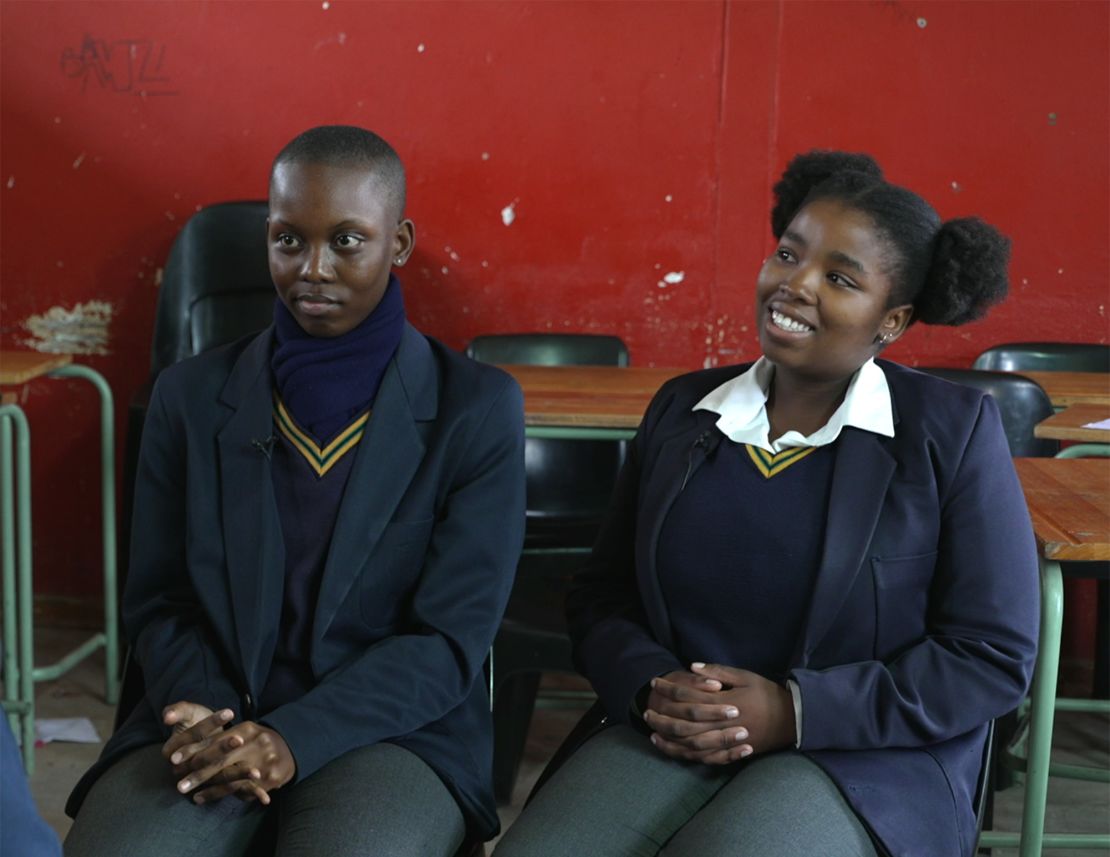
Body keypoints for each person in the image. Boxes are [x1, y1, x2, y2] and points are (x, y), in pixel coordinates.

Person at [494, 150, 1039, 857]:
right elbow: (602, 594)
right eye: (788, 254)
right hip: (671, 729)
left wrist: (791, 710)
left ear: (892, 319)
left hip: (866, 753)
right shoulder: (683, 410)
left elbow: (989, 655)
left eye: (840, 278)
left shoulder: (950, 431)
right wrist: (650, 688)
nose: (795, 284)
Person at [63, 125, 526, 856]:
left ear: (398, 243)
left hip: (392, 730)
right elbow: (160, 601)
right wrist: (212, 718)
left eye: (347, 241)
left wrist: (291, 736)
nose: (312, 268)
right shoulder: (188, 398)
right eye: (287, 240)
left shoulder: (474, 409)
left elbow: (446, 639)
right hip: (208, 711)